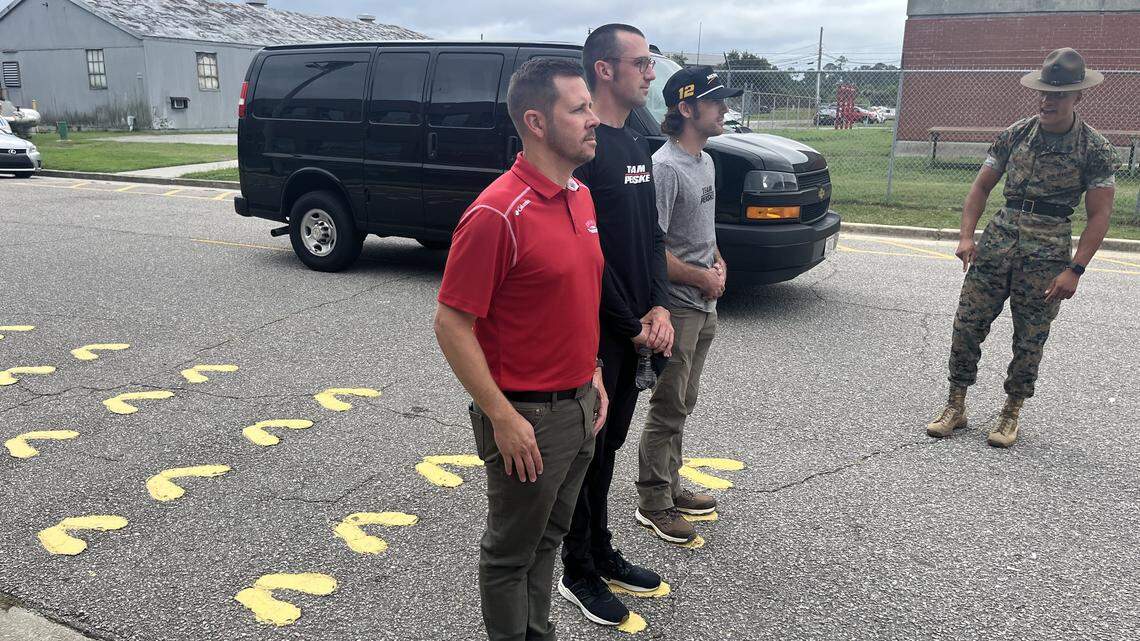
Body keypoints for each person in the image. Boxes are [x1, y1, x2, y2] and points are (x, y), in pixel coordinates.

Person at [434, 57, 609, 641]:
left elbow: (575, 300)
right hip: (528, 418)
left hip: (582, 404)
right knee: (509, 557)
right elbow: (451, 324)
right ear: (536, 121)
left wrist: (596, 374)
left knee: (548, 541)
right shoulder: (496, 213)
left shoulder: (579, 196)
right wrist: (501, 417)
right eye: (579, 108)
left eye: (590, 106)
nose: (594, 119)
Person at [926, 48, 1119, 448]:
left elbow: (1099, 216)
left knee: (1030, 337)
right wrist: (966, 236)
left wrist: (1076, 269)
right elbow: (981, 187)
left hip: (1047, 252)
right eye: (1045, 93)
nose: (1048, 101)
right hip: (997, 244)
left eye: (1059, 95)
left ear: (1077, 97)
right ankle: (955, 406)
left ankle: (1011, 412)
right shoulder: (1015, 133)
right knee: (967, 324)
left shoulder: (1095, 149)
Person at [558, 23, 673, 627]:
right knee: (587, 449)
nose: (651, 73)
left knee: (611, 447)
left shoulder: (635, 141)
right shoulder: (585, 145)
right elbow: (583, 253)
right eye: (642, 64)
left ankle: (600, 548)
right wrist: (629, 322)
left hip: (634, 326)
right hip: (597, 331)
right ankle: (576, 570)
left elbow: (650, 235)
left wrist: (658, 306)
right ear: (606, 69)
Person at [635, 66, 738, 544]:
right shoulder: (665, 167)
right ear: (686, 108)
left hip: (705, 303)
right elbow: (651, 248)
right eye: (715, 101)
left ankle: (673, 485)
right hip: (677, 307)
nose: (724, 109)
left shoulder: (706, 161)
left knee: (685, 401)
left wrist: (717, 262)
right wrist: (699, 277)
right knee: (669, 402)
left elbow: (704, 231)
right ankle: (654, 500)